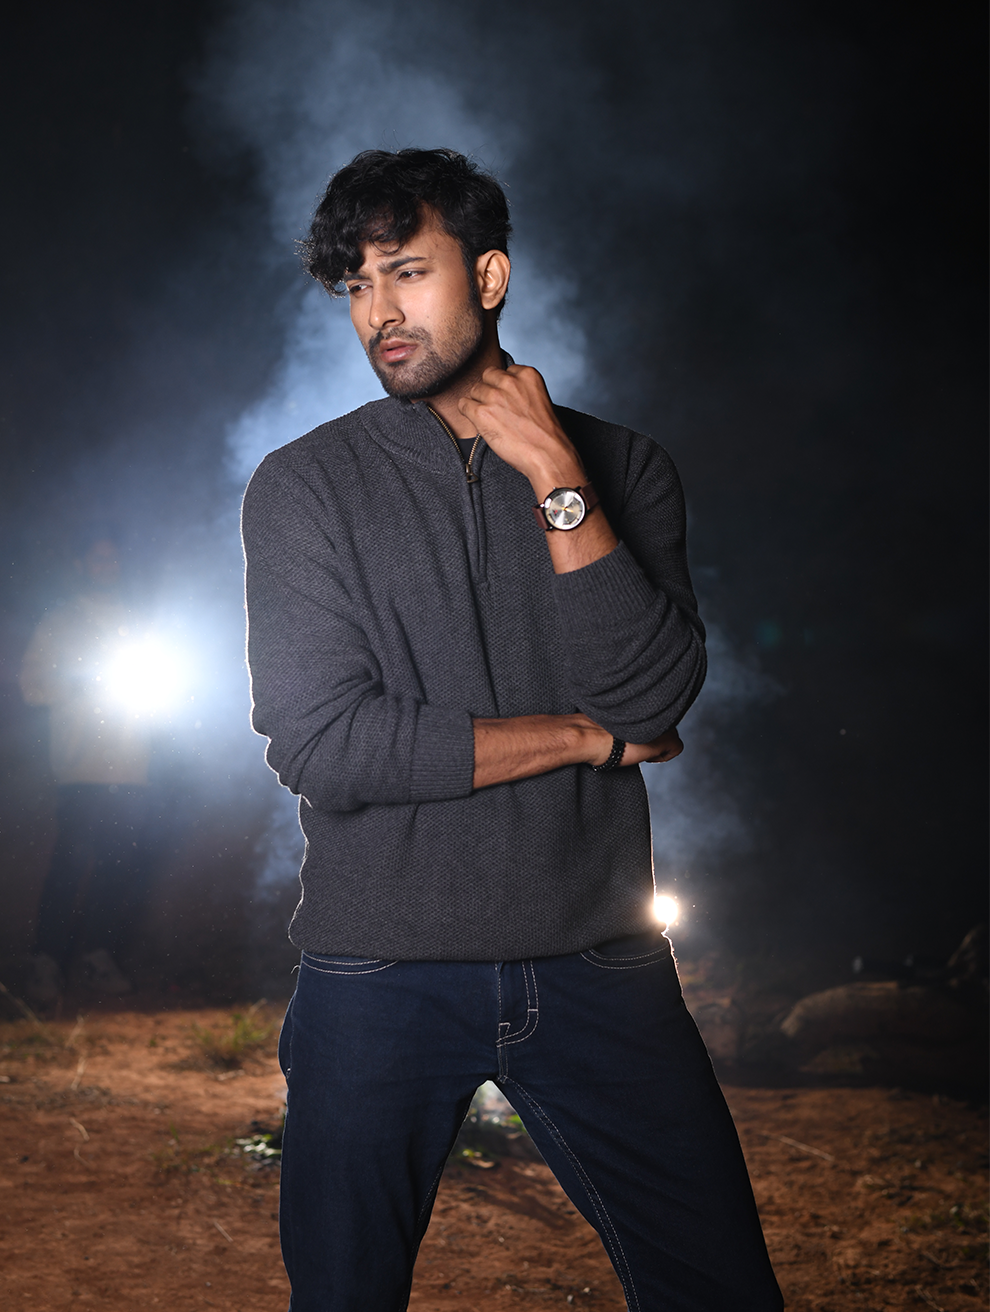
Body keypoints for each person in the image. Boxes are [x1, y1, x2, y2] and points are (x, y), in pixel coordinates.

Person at [242, 148, 782, 1310]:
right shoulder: (303, 486)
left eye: (406, 271)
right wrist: (582, 740)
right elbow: (326, 745)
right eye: (356, 285)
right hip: (377, 972)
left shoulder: (623, 466)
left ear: (488, 277)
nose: (378, 313)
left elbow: (651, 700)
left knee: (720, 1291)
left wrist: (554, 473)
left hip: (598, 961)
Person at [20, 535, 151, 1003]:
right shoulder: (60, 622)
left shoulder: (138, 622)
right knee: (70, 865)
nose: (106, 564)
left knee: (119, 867)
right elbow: (31, 686)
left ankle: (97, 957)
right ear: (81, 564)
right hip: (81, 766)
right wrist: (77, 682)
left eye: (112, 556)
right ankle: (46, 963)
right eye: (97, 557)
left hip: (131, 765)